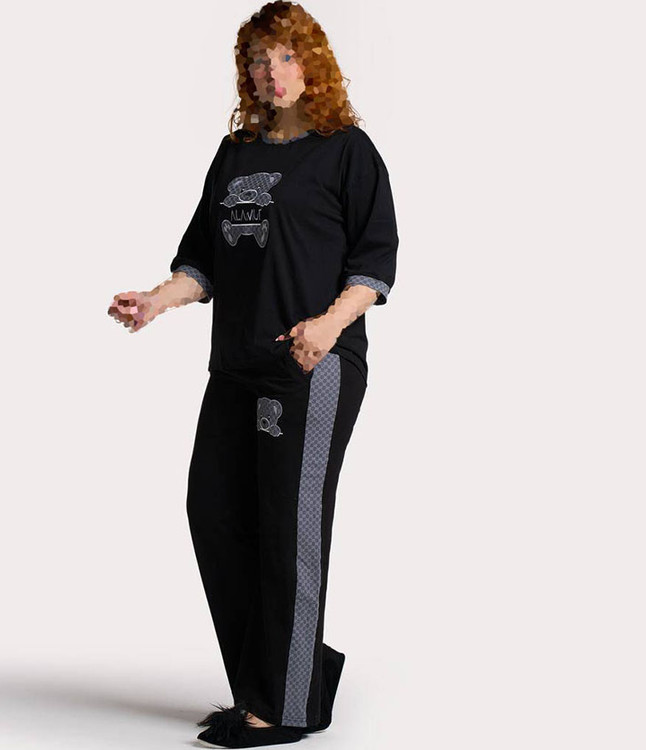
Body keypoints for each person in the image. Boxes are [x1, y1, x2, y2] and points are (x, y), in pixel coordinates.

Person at [107, 2, 399, 747]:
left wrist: (329, 325)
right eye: (259, 61)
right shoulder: (236, 153)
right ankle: (290, 671)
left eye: (286, 57)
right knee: (214, 512)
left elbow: (374, 263)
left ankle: (284, 705)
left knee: (288, 530)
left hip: (312, 365)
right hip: (236, 364)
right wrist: (156, 300)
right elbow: (202, 259)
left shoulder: (347, 152)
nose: (273, 73)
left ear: (313, 64)